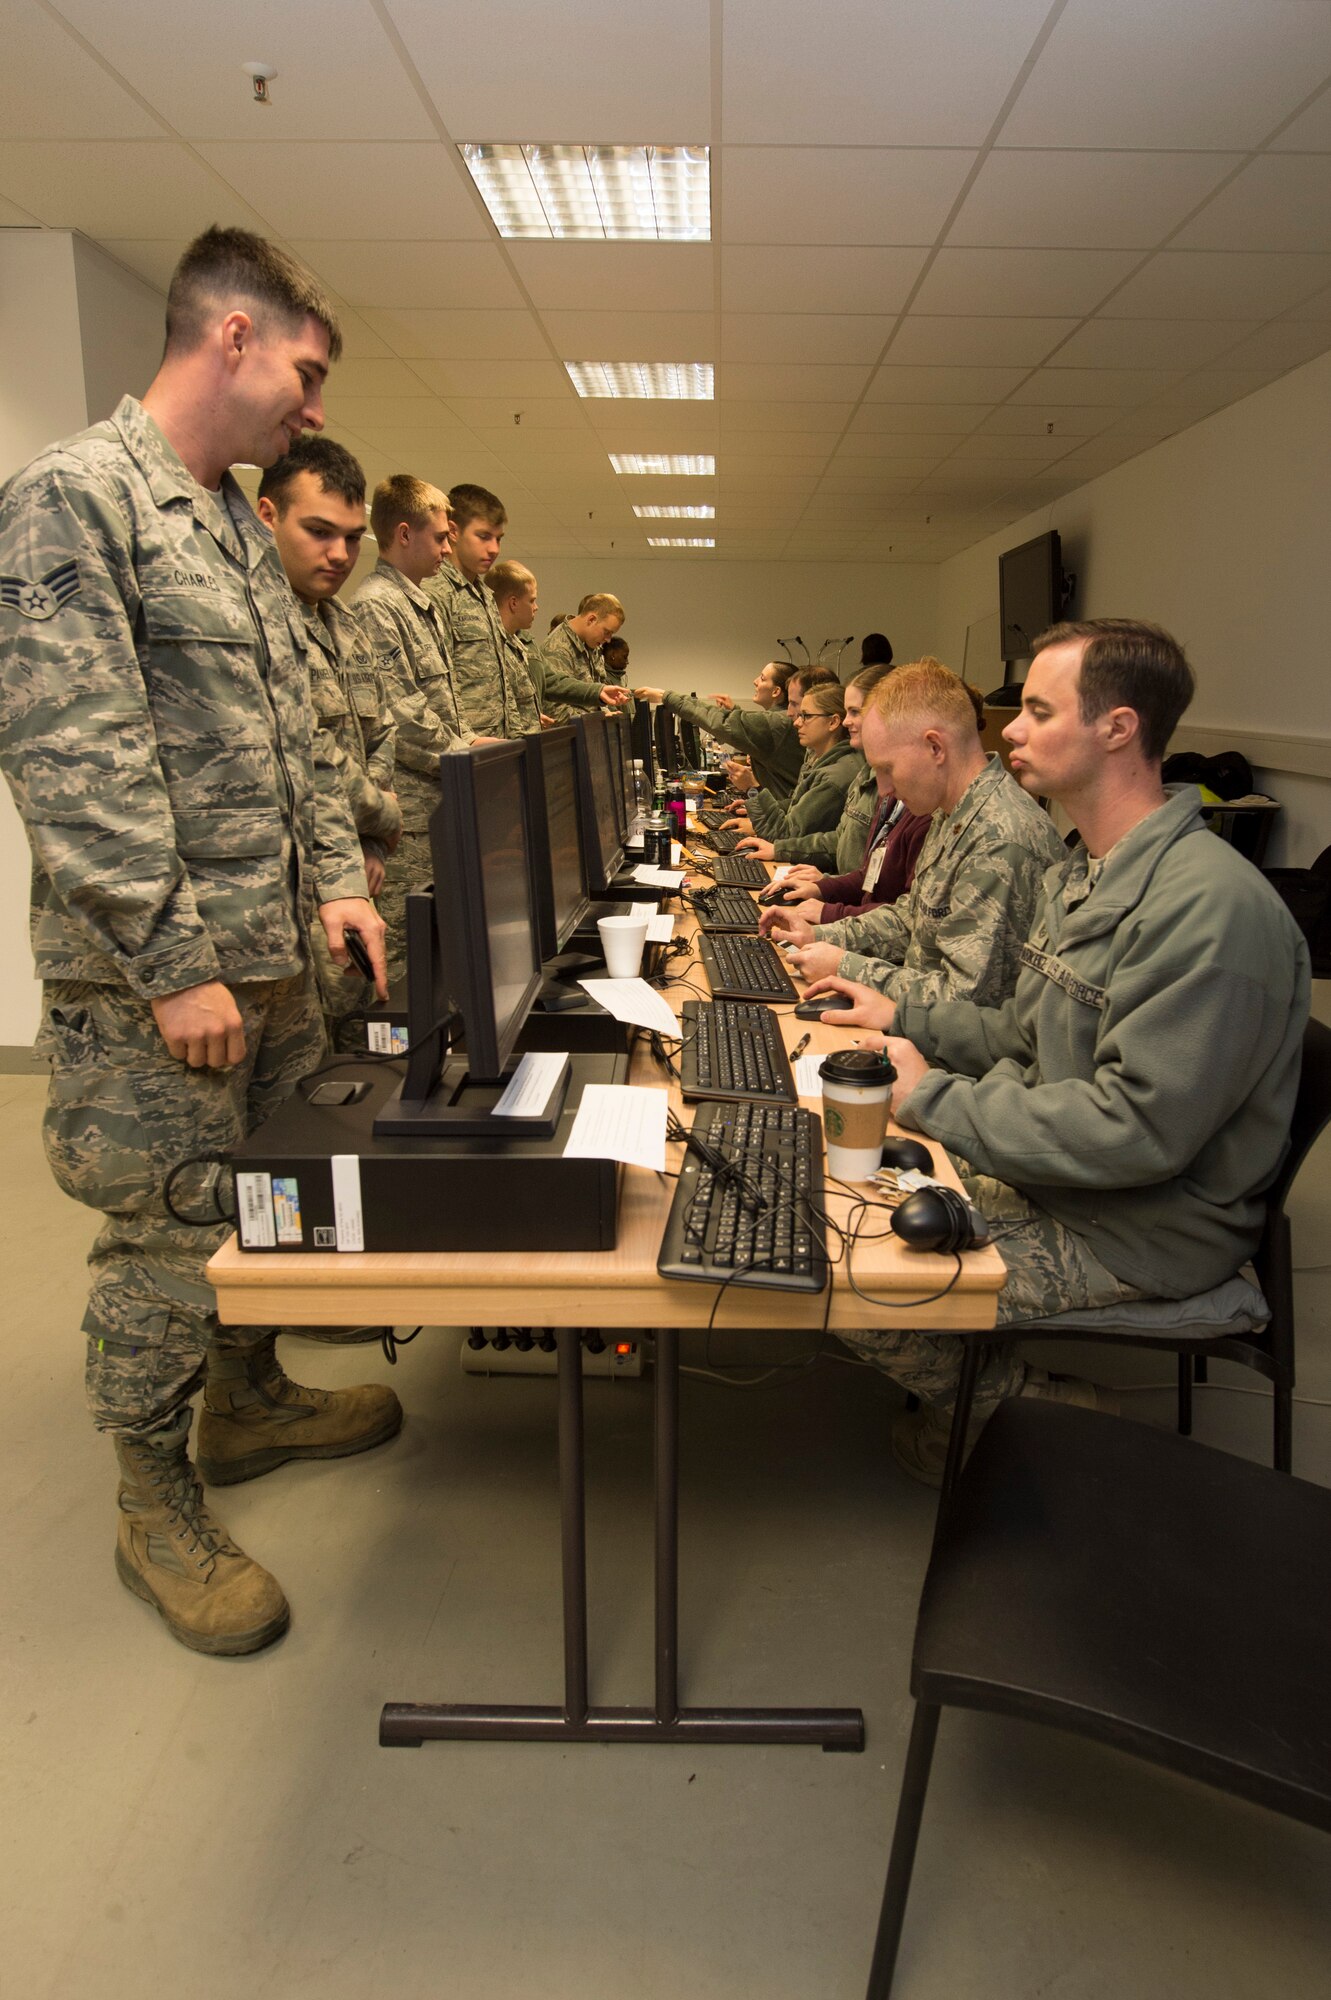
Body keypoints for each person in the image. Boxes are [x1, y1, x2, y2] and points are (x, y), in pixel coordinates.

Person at [0, 225, 400, 1655]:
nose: (313, 406)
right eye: (305, 371)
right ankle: (151, 1502)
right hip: (158, 981)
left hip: (275, 955)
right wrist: (172, 964)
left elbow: (300, 735)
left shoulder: (231, 522)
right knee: (168, 1231)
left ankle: (247, 1398)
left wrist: (339, 881)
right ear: (232, 336)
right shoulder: (76, 498)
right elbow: (74, 760)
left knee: (269, 1196)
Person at [814, 620, 1311, 1485]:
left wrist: (935, 1101)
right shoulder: (1085, 871)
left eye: (1039, 711)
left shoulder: (1209, 909)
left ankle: (1052, 1417)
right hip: (1069, 1179)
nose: (1009, 728)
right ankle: (1001, 1399)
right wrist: (902, 1018)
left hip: (1137, 1225)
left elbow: (1134, 1131)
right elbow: (1020, 1032)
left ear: (1116, 728)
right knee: (833, 1193)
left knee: (853, 1276)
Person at [766, 659, 1064, 1012]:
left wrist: (846, 966)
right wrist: (820, 935)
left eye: (887, 768)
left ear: (935, 748)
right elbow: (913, 917)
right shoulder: (950, 812)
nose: (884, 789)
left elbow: (965, 1000)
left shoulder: (999, 841)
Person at [255, 436, 401, 1048]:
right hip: (291, 885)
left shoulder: (346, 626)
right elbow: (314, 754)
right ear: (268, 516)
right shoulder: (257, 621)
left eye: (352, 537)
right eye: (319, 532)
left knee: (350, 1044)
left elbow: (381, 734)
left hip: (353, 869)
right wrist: (383, 815)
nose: (340, 554)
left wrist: (370, 840)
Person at [353, 474, 478, 986]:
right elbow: (402, 719)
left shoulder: (418, 604)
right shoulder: (377, 606)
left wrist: (469, 741)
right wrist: (467, 751)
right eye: (441, 537)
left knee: (441, 960)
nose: (448, 549)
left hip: (439, 808)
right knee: (407, 968)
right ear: (404, 534)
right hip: (410, 822)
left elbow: (445, 704)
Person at [757, 661, 930, 921]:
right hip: (855, 912)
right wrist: (825, 886)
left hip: (859, 920)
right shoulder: (867, 774)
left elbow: (907, 918)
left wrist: (830, 908)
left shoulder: (923, 809)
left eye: (855, 711)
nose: (847, 721)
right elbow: (866, 871)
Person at [426, 482, 540, 739]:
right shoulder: (436, 593)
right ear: (453, 532)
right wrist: (467, 741)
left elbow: (503, 683)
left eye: (498, 539)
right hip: (465, 746)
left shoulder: (485, 596)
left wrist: (517, 738)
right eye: (484, 536)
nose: (494, 549)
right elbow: (438, 687)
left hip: (497, 744)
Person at [635, 660, 804, 805]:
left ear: (776, 691)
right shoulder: (778, 720)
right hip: (782, 810)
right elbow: (737, 723)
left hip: (784, 818)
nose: (755, 681)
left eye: (762, 678)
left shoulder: (778, 722)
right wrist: (734, 712)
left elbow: (719, 722)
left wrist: (665, 696)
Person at [724, 682, 862, 851]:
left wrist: (752, 788)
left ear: (833, 722)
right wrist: (759, 806)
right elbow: (796, 809)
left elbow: (782, 834)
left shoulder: (834, 777)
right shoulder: (819, 759)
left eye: (806, 716)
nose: (796, 722)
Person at [486, 562, 628, 723]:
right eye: (532, 601)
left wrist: (598, 692)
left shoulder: (526, 643)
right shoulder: (488, 642)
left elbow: (552, 682)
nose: (536, 607)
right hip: (503, 736)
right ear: (513, 602)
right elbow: (553, 707)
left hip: (530, 733)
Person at [533, 593, 625, 723]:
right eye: (607, 632)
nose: (608, 639)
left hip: (592, 731)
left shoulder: (592, 646)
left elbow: (596, 691)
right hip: (573, 733)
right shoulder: (557, 648)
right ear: (591, 619)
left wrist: (607, 714)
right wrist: (598, 721)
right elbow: (556, 711)